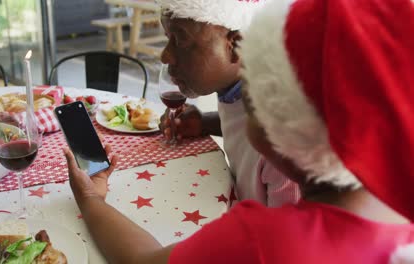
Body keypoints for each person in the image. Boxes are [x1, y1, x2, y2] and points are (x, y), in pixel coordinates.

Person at [63, 0, 414, 263]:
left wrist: (91, 199)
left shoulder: (263, 239)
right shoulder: (394, 217)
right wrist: (207, 123)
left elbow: (143, 261)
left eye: (259, 83)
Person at [158, 0, 300, 206]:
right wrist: (205, 122)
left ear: (236, 46)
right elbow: (241, 125)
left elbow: (287, 235)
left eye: (180, 41)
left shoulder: (282, 141)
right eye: (167, 38)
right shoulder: (239, 91)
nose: (165, 56)